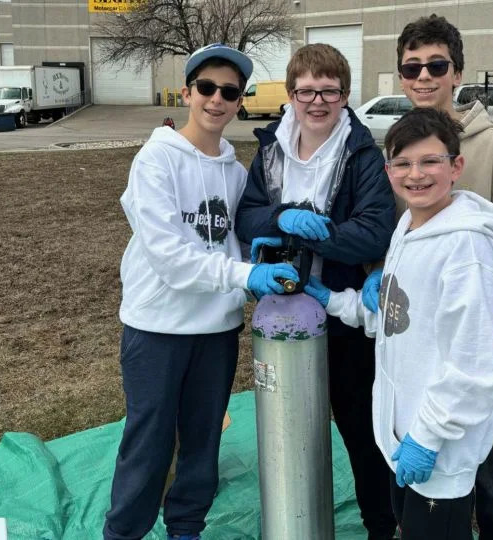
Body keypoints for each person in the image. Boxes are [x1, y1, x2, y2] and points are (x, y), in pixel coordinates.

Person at [104, 43, 300, 540]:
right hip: (158, 327)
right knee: (148, 443)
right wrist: (242, 277)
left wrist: (261, 252)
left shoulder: (237, 173)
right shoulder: (156, 161)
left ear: (239, 101)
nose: (217, 99)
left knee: (202, 439)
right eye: (207, 88)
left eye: (229, 92)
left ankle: (185, 529)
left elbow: (237, 238)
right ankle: (124, 533)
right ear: (188, 93)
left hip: (216, 328)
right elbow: (170, 258)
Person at [304, 106, 493, 540]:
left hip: (438, 450)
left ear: (456, 166)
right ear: (388, 170)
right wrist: (332, 300)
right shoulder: (408, 227)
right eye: (403, 163)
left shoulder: (465, 248)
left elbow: (471, 366)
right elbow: (393, 317)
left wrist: (429, 437)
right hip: (402, 437)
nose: (415, 174)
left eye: (430, 161)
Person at [383, 15, 493, 539]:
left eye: (437, 65)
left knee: (489, 455)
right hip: (420, 326)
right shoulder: (400, 148)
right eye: (413, 67)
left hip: (479, 329)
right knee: (423, 435)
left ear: (457, 73)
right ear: (401, 76)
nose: (424, 76)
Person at [234, 43, 398, 539]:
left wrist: (309, 231)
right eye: (306, 90)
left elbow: (375, 231)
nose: (317, 101)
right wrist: (281, 215)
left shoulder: (362, 154)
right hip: (282, 315)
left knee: (362, 433)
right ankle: (294, 521)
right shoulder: (271, 148)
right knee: (289, 430)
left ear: (345, 95)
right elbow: (246, 216)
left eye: (329, 90)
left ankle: (380, 527)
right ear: (290, 94)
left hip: (345, 316)